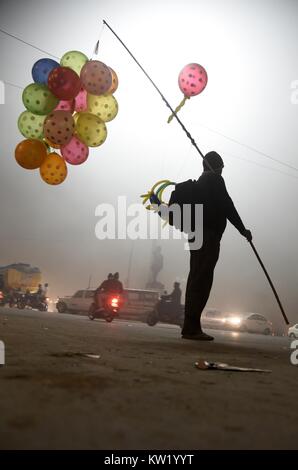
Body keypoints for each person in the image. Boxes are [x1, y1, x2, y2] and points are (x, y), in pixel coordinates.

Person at [172, 151, 252, 341]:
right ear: (215, 166)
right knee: (202, 281)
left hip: (196, 236)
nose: (222, 170)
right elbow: (227, 205)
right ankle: (192, 328)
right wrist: (243, 229)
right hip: (208, 237)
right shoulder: (215, 180)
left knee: (195, 278)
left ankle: (190, 326)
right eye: (221, 167)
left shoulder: (200, 184)